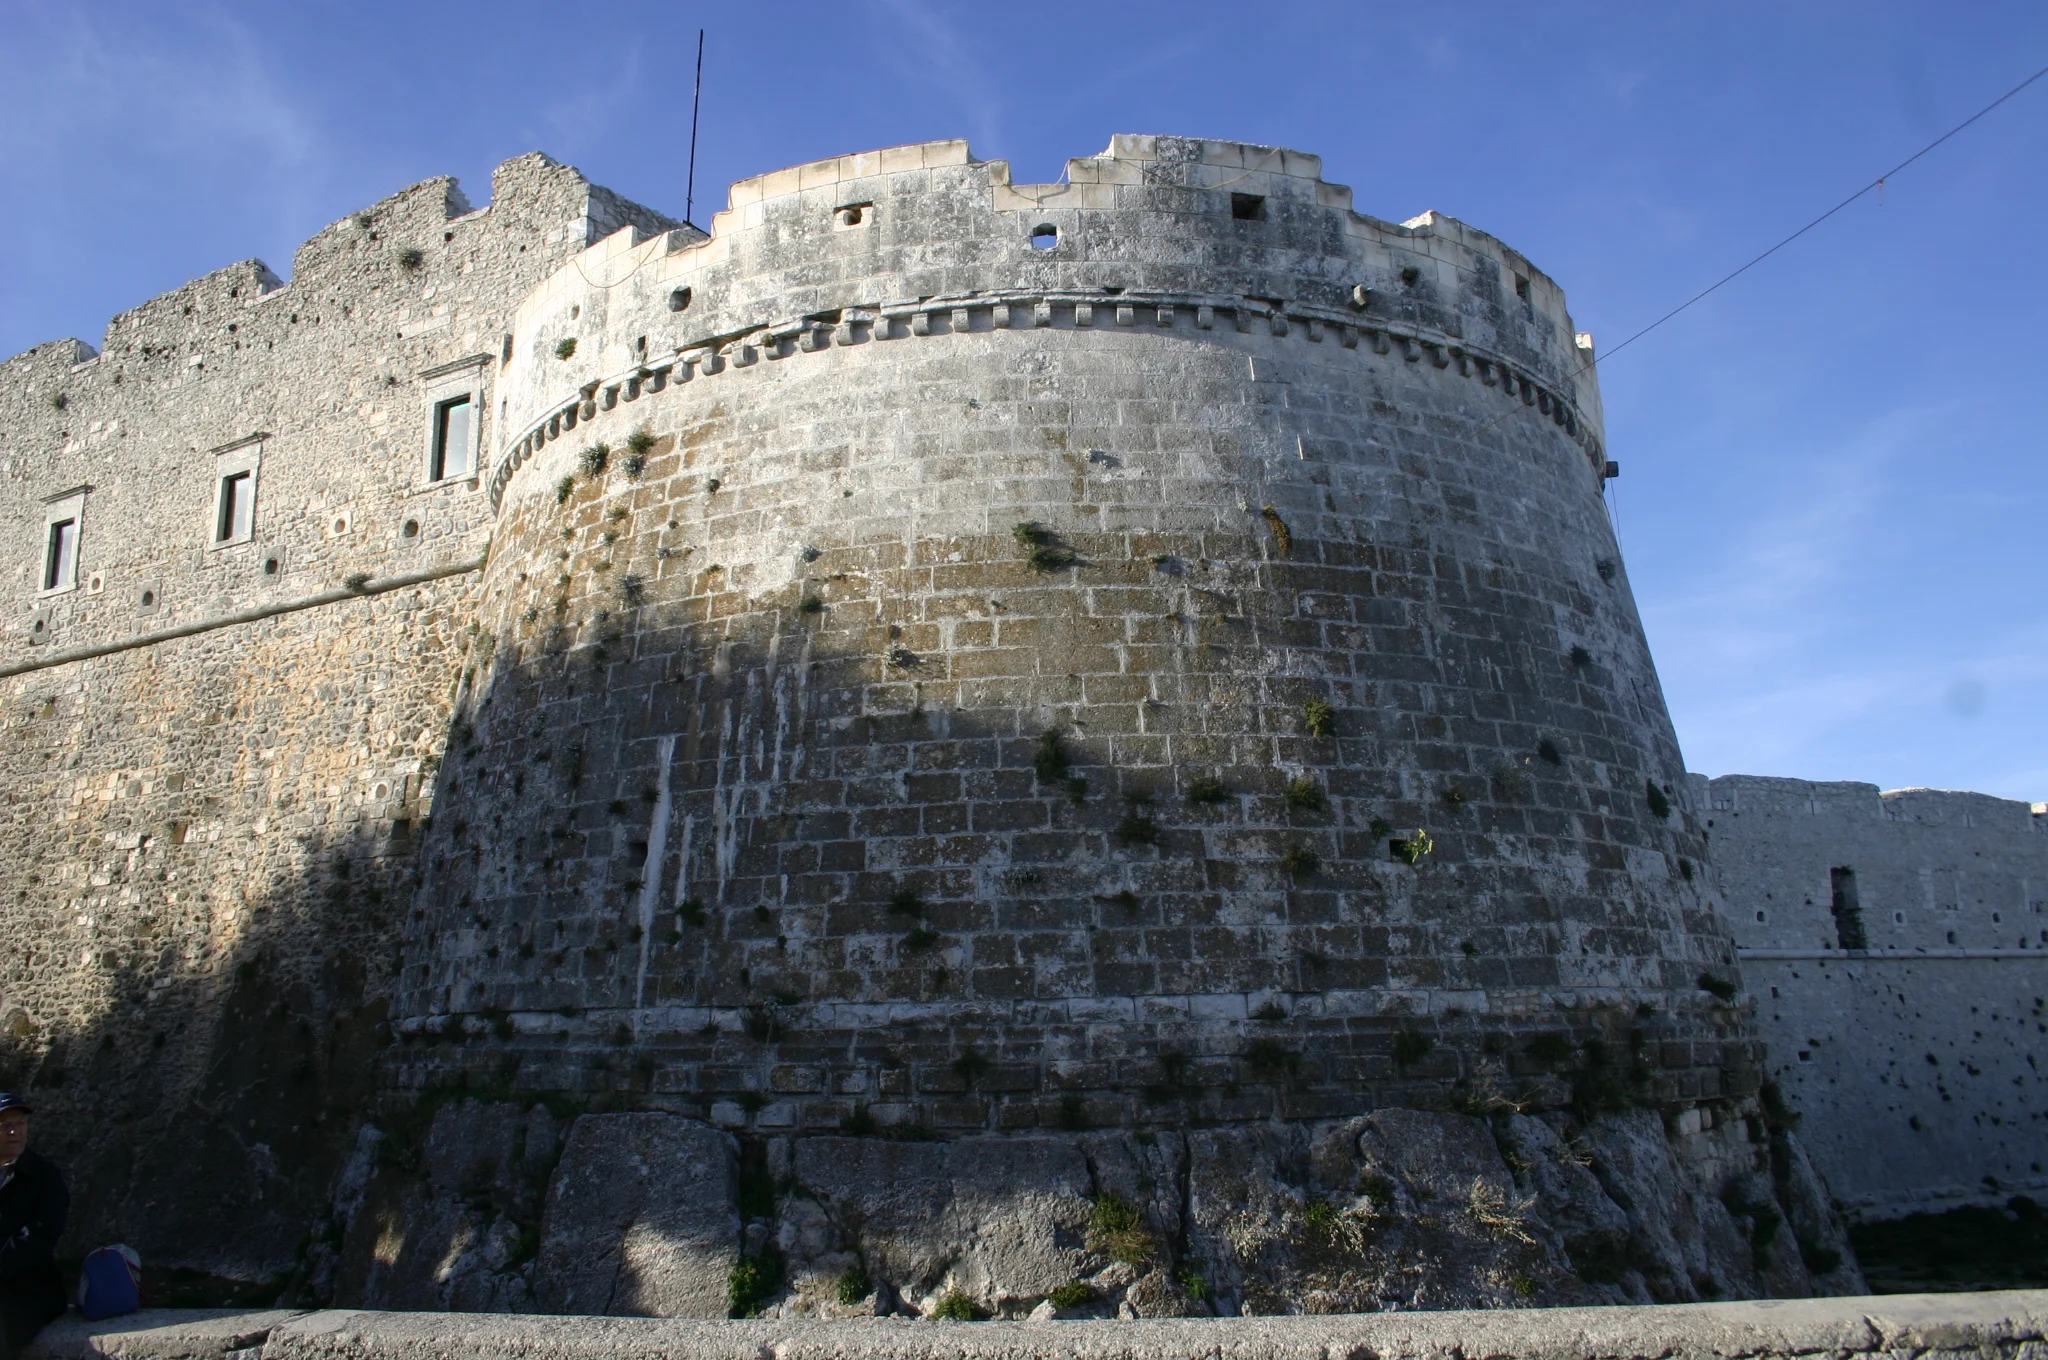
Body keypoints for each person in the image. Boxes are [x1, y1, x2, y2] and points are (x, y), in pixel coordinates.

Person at [0, 1095, 67, 1360]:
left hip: (30, 1287)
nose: (14, 1131)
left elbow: (41, 1236)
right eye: (4, 1125)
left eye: (20, 1123)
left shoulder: (43, 1176)